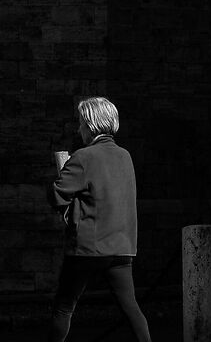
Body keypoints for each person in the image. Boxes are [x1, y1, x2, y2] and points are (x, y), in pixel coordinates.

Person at [49, 96, 151, 342]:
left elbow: (57, 195)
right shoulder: (125, 156)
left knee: (64, 307)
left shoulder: (84, 157)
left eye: (81, 123)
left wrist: (64, 170)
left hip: (87, 248)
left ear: (91, 125)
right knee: (131, 308)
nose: (79, 129)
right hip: (122, 247)